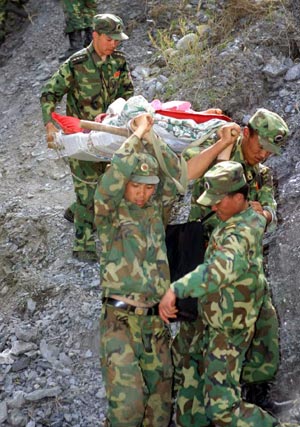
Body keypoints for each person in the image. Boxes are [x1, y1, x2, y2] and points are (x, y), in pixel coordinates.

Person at [93, 113, 240, 426]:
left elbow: (182, 174)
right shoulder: (110, 212)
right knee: (127, 409)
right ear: (124, 185)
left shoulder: (155, 211)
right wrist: (138, 133)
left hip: (156, 326)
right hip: (120, 322)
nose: (144, 194)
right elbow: (116, 173)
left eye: (149, 188)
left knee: (158, 414)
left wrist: (219, 145)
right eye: (137, 187)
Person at [169, 108, 289, 425]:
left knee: (265, 332)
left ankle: (254, 394)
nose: (262, 154)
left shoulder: (260, 174)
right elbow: (185, 173)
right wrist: (220, 148)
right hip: (207, 263)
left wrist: (261, 216)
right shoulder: (216, 146)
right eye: (260, 146)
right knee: (196, 337)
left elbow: (270, 215)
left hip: (246, 269)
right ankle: (193, 406)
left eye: (269, 151)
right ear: (246, 132)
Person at [40, 13, 134, 262]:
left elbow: (127, 93)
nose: (114, 44)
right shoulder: (76, 64)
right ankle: (82, 246)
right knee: (88, 191)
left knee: (107, 183)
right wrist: (50, 125)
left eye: (117, 40)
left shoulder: (120, 62)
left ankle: (75, 211)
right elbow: (49, 94)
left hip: (110, 136)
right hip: (81, 138)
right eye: (110, 39)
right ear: (95, 35)